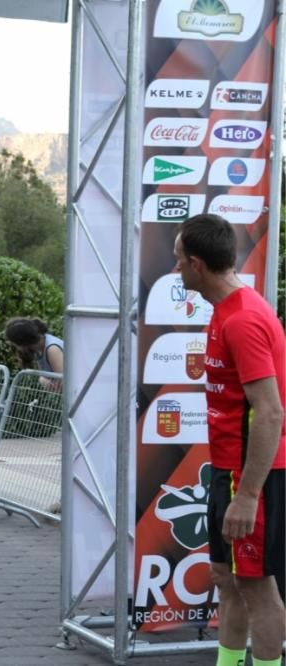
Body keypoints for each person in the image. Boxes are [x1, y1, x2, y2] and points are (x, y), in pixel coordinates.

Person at [173, 214, 285, 666]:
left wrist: (249, 496)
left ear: (197, 265)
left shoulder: (243, 320)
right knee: (227, 577)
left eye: (178, 261)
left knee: (258, 588)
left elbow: (271, 411)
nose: (174, 269)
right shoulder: (226, 311)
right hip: (228, 473)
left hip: (250, 478)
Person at [4, 317, 64, 391]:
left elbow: (65, 384)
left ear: (23, 343)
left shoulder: (52, 350)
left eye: (15, 345)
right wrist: (43, 380)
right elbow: (44, 376)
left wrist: (44, 380)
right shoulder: (39, 350)